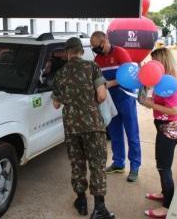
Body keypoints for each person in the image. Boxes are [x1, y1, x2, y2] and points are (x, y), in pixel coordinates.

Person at [52, 37, 115, 219]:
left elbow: (56, 104)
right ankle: (99, 209)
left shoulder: (60, 74)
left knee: (77, 164)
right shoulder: (92, 67)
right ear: (81, 51)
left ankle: (81, 201)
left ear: (67, 53)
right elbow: (102, 95)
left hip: (72, 127)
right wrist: (88, 104)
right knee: (97, 165)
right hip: (93, 125)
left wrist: (70, 100)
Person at [90, 31, 141, 182]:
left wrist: (111, 83)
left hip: (125, 97)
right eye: (93, 47)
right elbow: (98, 80)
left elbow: (131, 75)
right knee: (115, 133)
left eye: (96, 46)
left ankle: (135, 166)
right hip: (110, 101)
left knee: (132, 133)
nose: (95, 49)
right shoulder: (98, 59)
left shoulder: (120, 53)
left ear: (104, 40)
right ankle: (118, 163)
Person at [141, 47, 177, 218]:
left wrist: (151, 105)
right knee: (163, 165)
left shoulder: (169, 82)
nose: (151, 65)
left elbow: (173, 109)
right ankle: (165, 193)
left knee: (163, 167)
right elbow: (163, 102)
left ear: (162, 63)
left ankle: (167, 206)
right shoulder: (162, 82)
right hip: (166, 127)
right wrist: (147, 99)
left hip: (169, 128)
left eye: (154, 61)